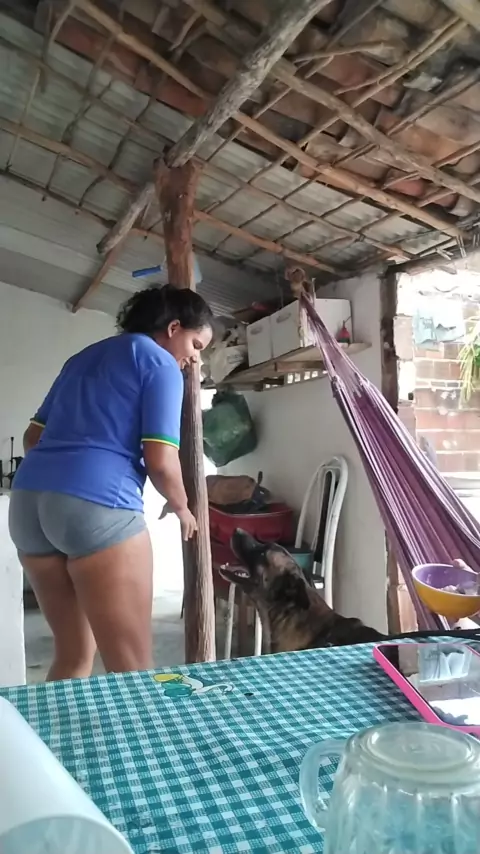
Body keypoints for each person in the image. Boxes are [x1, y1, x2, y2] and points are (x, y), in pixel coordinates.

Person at [9, 285, 213, 681]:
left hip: (28, 504)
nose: (194, 359)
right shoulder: (159, 362)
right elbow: (160, 459)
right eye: (196, 344)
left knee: (72, 656)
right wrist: (183, 506)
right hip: (97, 505)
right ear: (173, 328)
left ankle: (54, 725)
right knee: (131, 668)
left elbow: (33, 438)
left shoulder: (81, 359)